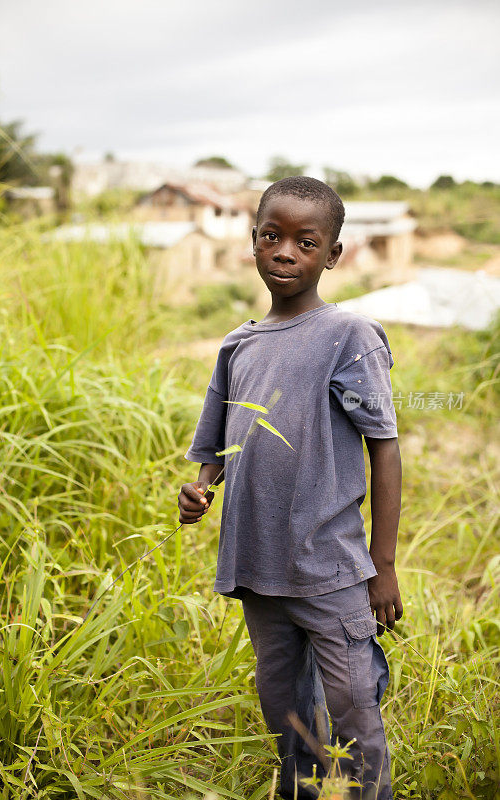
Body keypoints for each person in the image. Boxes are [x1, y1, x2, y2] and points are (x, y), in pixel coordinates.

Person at [178, 176, 403, 800]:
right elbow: (217, 444)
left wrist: (381, 566)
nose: (285, 252)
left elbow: (383, 448)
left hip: (331, 568)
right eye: (272, 236)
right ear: (252, 241)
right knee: (285, 712)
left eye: (306, 242)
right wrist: (199, 489)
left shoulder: (349, 337)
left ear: (331, 255)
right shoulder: (239, 345)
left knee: (355, 711)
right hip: (257, 567)